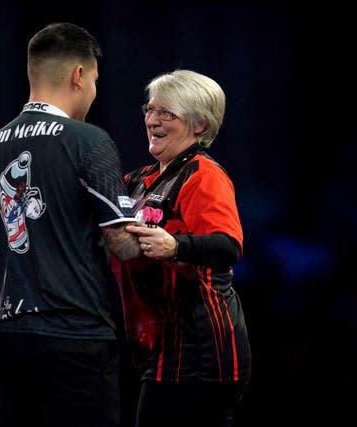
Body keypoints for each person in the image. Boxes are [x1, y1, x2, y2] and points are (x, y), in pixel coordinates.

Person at [0, 22, 141, 427]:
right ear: (79, 75)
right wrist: (160, 229)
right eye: (95, 81)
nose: (94, 92)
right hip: (75, 338)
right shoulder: (86, 140)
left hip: (6, 344)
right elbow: (124, 245)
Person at [112, 69, 252, 426]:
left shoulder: (203, 174)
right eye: (150, 109)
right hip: (155, 346)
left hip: (200, 348)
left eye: (166, 114)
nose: (152, 120)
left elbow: (228, 245)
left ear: (199, 125)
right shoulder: (138, 180)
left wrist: (176, 247)